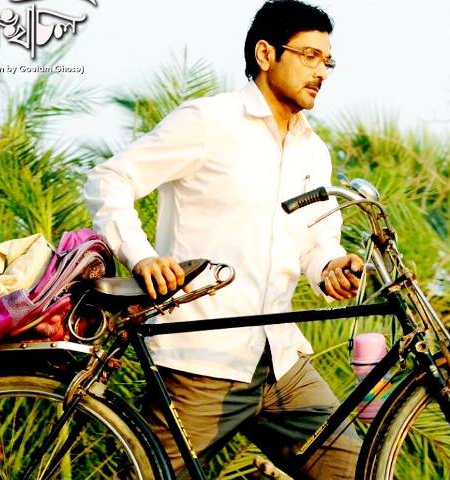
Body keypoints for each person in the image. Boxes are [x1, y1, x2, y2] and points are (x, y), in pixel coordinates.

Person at [85, 1, 363, 477]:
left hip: (281, 364)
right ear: (265, 54)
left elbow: (317, 243)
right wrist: (142, 256)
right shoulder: (209, 122)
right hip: (201, 361)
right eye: (309, 56)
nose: (321, 71)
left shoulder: (313, 151)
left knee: (361, 470)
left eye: (327, 61)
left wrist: (332, 268)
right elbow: (109, 179)